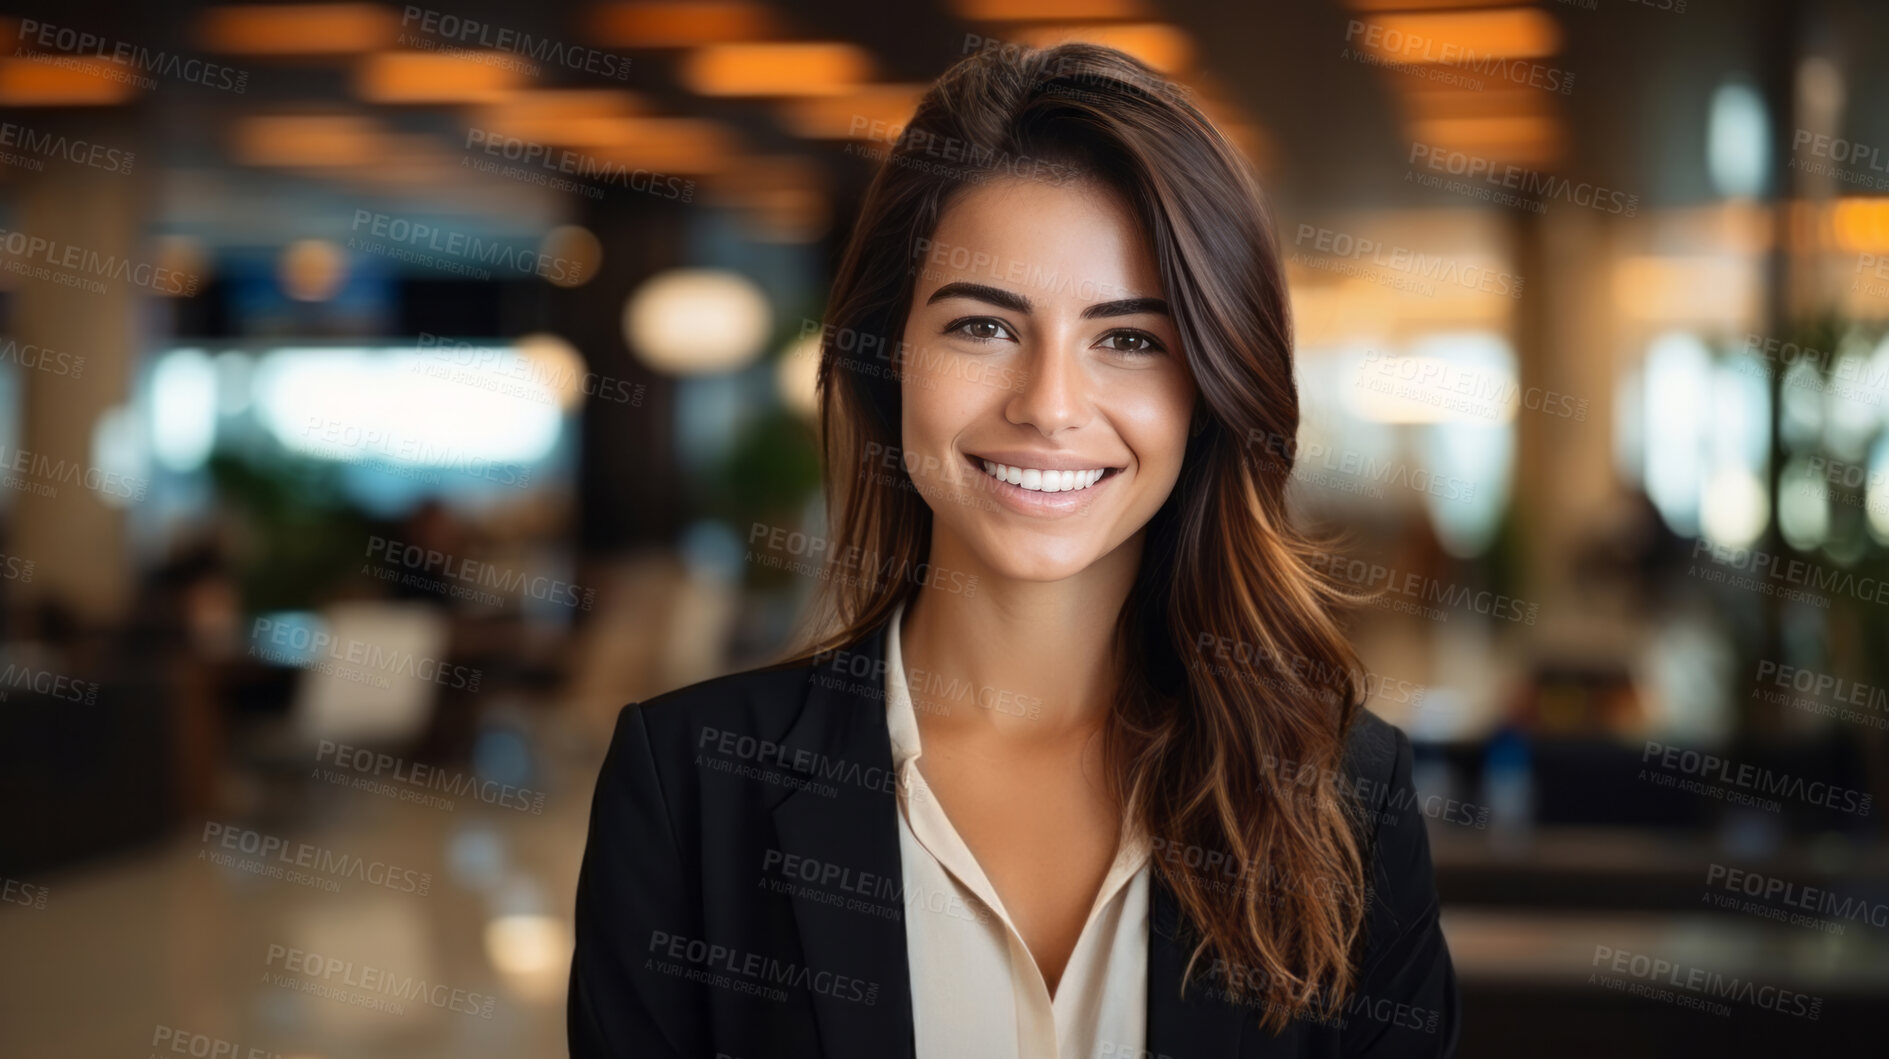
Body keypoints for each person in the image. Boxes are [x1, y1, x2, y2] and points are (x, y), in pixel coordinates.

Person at [570, 40, 1458, 1059]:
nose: (1047, 407)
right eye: (983, 326)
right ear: (883, 358)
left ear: (1211, 389)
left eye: (1128, 339)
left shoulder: (1343, 794)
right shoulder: (689, 784)